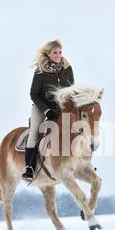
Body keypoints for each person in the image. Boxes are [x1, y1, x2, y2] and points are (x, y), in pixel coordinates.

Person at [22, 40, 75, 181]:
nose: (58, 55)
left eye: (60, 52)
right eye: (55, 53)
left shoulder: (67, 68)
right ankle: (29, 168)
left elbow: (71, 89)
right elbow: (34, 94)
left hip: (62, 107)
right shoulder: (40, 72)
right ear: (48, 54)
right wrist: (46, 111)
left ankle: (80, 163)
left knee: (77, 128)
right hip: (42, 107)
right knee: (34, 133)